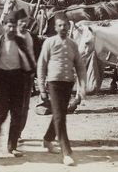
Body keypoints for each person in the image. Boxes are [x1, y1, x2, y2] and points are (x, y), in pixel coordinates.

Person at [37, 15, 87, 167]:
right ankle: (67, 153)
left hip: (68, 84)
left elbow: (80, 67)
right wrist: (41, 88)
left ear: (68, 26)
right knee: (60, 117)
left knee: (60, 114)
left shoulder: (73, 44)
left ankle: (47, 140)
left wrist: (82, 87)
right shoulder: (49, 42)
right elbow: (41, 65)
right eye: (60, 25)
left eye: (65, 25)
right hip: (54, 83)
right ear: (55, 27)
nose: (63, 28)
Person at [0, 12, 35, 157]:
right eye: (9, 26)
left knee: (17, 113)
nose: (12, 29)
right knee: (2, 111)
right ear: (4, 26)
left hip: (18, 79)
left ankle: (12, 146)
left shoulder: (20, 41)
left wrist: (30, 73)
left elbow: (29, 60)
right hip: (2, 80)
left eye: (14, 26)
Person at [16, 11, 36, 140]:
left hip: (27, 76)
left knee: (25, 106)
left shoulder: (30, 36)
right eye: (21, 22)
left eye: (25, 21)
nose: (23, 24)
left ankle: (18, 132)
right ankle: (14, 132)